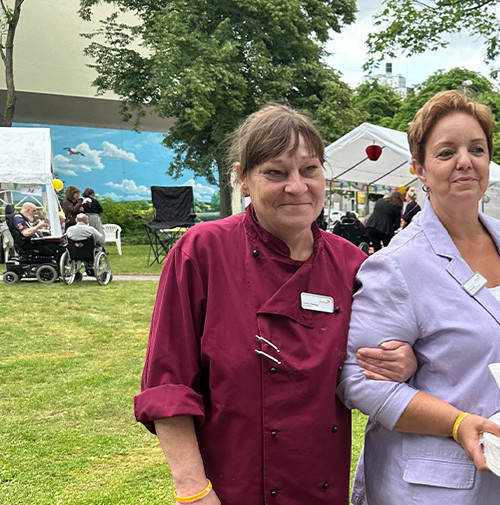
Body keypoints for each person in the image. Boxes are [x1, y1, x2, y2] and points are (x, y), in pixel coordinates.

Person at [134, 104, 415, 505]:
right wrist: (193, 490)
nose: (297, 186)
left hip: (320, 485)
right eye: (275, 172)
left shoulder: (353, 265)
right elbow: (168, 385)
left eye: (309, 170)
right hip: (230, 489)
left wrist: (402, 360)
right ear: (243, 180)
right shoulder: (202, 252)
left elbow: (375, 359)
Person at [337, 90, 500, 505]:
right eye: (446, 152)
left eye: (476, 149)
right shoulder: (399, 265)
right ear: (419, 169)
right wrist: (456, 423)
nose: (465, 161)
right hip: (442, 486)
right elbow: (357, 380)